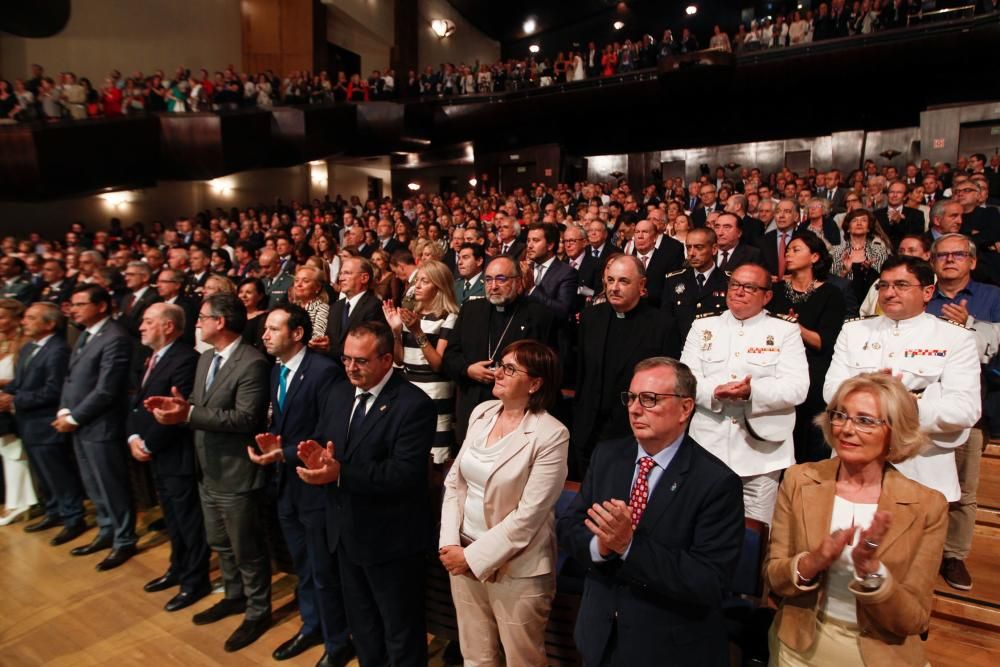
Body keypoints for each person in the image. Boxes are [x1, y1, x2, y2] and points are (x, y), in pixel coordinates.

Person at [557, 357, 745, 666]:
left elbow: (708, 581)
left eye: (649, 399)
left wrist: (629, 546)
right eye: (631, 397)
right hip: (599, 638)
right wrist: (600, 547)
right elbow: (569, 526)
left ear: (685, 408)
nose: (634, 409)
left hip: (668, 649)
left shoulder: (716, 483)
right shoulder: (608, 456)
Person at [766, 373, 948, 666]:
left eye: (865, 420)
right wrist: (814, 561)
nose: (846, 429)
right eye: (840, 416)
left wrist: (873, 573)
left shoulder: (927, 506)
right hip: (798, 647)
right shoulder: (800, 479)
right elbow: (775, 578)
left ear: (894, 430)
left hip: (883, 654)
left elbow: (914, 619)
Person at [824, 255, 981, 572]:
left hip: (920, 469)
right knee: (840, 561)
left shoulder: (955, 338)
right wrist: (892, 401)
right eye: (884, 285)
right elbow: (832, 393)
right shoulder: (854, 332)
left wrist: (898, 406)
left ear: (927, 291)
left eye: (901, 285)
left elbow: (965, 409)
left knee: (906, 572)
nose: (890, 292)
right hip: (853, 469)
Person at [296, 321, 436, 667]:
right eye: (345, 359)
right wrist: (316, 458)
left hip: (391, 540)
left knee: (400, 631)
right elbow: (324, 441)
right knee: (364, 626)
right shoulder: (338, 393)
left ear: (387, 359)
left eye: (360, 361)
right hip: (345, 532)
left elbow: (405, 473)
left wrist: (340, 471)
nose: (350, 368)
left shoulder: (413, 404)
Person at [145, 293, 272, 652]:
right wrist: (180, 408)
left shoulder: (252, 363)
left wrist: (187, 415)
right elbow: (197, 408)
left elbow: (245, 419)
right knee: (220, 543)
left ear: (221, 322)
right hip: (206, 468)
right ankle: (234, 596)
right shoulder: (204, 359)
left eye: (202, 317)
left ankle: (258, 611)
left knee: (246, 549)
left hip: (236, 471)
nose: (197, 322)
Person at [439, 340, 568, 665]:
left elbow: (528, 517)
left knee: (522, 660)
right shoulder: (481, 413)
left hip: (517, 569)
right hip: (462, 556)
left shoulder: (551, 435)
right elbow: (455, 482)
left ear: (535, 383)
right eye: (501, 364)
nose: (498, 372)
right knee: (476, 657)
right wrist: (450, 546)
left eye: (510, 369)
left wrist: (472, 557)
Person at [250, 304, 353, 666]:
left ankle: (338, 641)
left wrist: (285, 452)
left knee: (323, 571)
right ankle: (313, 626)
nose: (265, 335)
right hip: (287, 486)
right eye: (265, 328)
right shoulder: (277, 369)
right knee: (304, 566)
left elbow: (330, 431)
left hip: (315, 486)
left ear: (297, 333)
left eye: (274, 328)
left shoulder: (325, 371)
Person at [680, 263, 809, 523]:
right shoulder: (704, 326)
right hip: (708, 445)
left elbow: (798, 387)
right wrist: (715, 391)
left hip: (761, 453)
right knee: (701, 525)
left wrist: (752, 392)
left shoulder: (784, 330)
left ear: (767, 296)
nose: (739, 291)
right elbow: (686, 378)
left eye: (749, 287)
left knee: (755, 534)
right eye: (735, 285)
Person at [924, 233, 1000, 591]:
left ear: (971, 260)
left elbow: (995, 348)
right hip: (921, 408)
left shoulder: (992, 296)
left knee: (965, 488)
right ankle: (920, 547)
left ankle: (954, 555)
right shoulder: (923, 296)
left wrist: (968, 327)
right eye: (942, 254)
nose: (949, 260)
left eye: (958, 254)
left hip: (971, 406)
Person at [126, 303, 210, 612]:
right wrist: (134, 437)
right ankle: (178, 567)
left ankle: (194, 580)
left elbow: (179, 410)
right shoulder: (155, 357)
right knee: (172, 519)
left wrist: (148, 443)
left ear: (169, 326)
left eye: (149, 321)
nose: (141, 327)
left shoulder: (186, 359)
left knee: (188, 521)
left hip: (176, 453)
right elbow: (137, 403)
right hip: (156, 452)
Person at [574, 255, 681, 477]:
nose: (614, 288)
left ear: (641, 285)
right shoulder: (590, 318)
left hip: (634, 432)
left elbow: (666, 386)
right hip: (588, 431)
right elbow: (581, 374)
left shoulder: (662, 326)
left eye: (623, 281)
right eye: (610, 280)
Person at [55, 285, 138, 569]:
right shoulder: (88, 334)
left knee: (111, 484)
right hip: (80, 423)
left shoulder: (115, 338)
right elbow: (72, 378)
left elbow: (106, 390)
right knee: (93, 483)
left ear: (101, 305)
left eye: (80, 304)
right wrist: (66, 410)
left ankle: (124, 539)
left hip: (101, 424)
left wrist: (74, 416)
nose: (73, 309)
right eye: (72, 304)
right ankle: (106, 530)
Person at [443, 256, 554, 442]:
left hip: (516, 408)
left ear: (518, 282)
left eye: (501, 279)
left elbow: (546, 366)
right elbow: (450, 355)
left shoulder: (538, 314)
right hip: (473, 402)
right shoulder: (471, 310)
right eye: (488, 279)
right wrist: (468, 369)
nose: (493, 286)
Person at [0, 302, 86, 543]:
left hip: (46, 422)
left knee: (58, 473)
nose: (24, 321)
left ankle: (73, 518)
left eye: (31, 318)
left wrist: (15, 399)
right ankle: (54, 511)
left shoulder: (58, 350)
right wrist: (8, 395)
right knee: (43, 473)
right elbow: (19, 382)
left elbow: (54, 390)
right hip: (27, 422)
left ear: (49, 324)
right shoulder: (29, 348)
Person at [766, 231, 846, 463]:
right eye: (787, 250)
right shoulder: (776, 292)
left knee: (810, 449)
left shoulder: (831, 294)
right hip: (777, 373)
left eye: (796, 250)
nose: (788, 254)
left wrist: (794, 326)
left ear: (814, 257)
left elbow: (823, 342)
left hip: (814, 375)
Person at [383, 259, 459, 463]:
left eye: (424, 281)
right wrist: (396, 331)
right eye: (417, 280)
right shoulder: (410, 315)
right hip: (408, 387)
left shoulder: (449, 316)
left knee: (435, 458)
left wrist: (417, 331)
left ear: (439, 286)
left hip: (435, 392)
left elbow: (438, 364)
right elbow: (399, 360)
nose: (416, 285)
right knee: (408, 450)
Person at [0, 299, 37, 525]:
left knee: (14, 453)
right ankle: (14, 500)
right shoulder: (1, 341)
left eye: (3, 316)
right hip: (3, 405)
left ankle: (20, 503)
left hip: (16, 405)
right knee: (6, 452)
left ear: (17, 318)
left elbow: (27, 378)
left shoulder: (26, 344)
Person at [662, 227, 729, 342]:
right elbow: (666, 322)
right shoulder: (673, 280)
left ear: (714, 249)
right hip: (681, 349)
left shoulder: (728, 281)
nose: (692, 253)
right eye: (688, 247)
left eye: (699, 247)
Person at [317, 257, 386, 362]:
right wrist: (322, 344)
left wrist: (330, 349)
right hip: (333, 370)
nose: (341, 278)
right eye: (340, 274)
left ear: (364, 278)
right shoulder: (336, 307)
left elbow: (365, 346)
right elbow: (331, 339)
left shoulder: (374, 306)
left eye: (347, 273)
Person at [830, 209, 890, 306]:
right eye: (854, 220)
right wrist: (844, 272)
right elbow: (831, 284)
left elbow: (883, 281)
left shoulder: (879, 251)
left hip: (871, 302)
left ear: (868, 228)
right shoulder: (836, 251)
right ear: (848, 228)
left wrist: (869, 271)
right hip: (843, 302)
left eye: (863, 220)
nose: (859, 223)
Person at [289, 265, 330, 344]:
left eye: (305, 281)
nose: (299, 285)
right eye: (296, 280)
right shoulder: (292, 307)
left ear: (317, 287)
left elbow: (317, 340)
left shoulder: (322, 308)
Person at [237, 277, 269, 354]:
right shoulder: (234, 316)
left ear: (260, 296)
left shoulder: (264, 318)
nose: (243, 296)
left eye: (248, 292)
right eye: (241, 292)